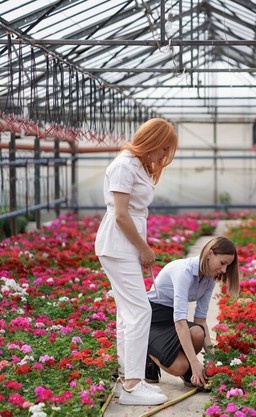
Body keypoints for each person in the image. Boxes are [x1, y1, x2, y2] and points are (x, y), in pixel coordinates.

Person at [94, 118, 178, 406]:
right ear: (151, 140)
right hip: (118, 245)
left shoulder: (136, 165)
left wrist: (140, 249)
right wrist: (143, 249)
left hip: (125, 246)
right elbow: (120, 214)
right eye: (163, 149)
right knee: (140, 310)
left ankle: (127, 380)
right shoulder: (124, 166)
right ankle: (133, 383)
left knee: (128, 312)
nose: (163, 156)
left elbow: (132, 213)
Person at [146, 235, 240, 388]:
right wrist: (194, 363)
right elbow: (180, 322)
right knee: (181, 367)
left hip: (172, 320)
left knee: (198, 332)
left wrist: (212, 361)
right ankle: (147, 353)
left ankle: (182, 364)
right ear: (209, 254)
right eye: (222, 263)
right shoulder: (183, 272)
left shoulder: (209, 277)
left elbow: (201, 320)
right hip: (152, 320)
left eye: (227, 266)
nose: (223, 270)